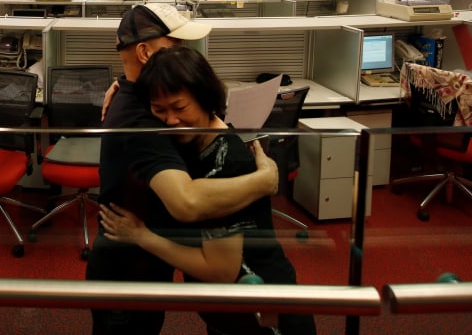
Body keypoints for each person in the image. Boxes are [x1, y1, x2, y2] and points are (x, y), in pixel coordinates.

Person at [85, 3, 279, 335]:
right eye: (175, 45)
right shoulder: (144, 121)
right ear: (145, 53)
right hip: (127, 274)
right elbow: (186, 201)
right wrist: (265, 180)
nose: (184, 53)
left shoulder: (145, 100)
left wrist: (122, 83)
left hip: (141, 267)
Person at [100, 45, 316, 335]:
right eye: (159, 110)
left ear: (205, 100)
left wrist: (141, 236)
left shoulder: (227, 162)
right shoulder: (194, 143)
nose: (170, 121)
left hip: (263, 312)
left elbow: (220, 270)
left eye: (179, 108)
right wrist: (121, 89)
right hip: (230, 313)